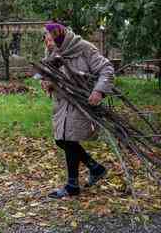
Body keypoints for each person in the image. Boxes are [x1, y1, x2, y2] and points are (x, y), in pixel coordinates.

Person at [41, 22, 114, 199]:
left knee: (68, 139)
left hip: (81, 102)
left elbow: (107, 69)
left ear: (59, 37)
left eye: (50, 39)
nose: (48, 43)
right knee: (62, 140)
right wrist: (47, 83)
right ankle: (96, 168)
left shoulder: (84, 48)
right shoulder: (52, 52)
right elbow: (48, 74)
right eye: (46, 40)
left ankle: (72, 186)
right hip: (62, 104)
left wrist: (99, 90)